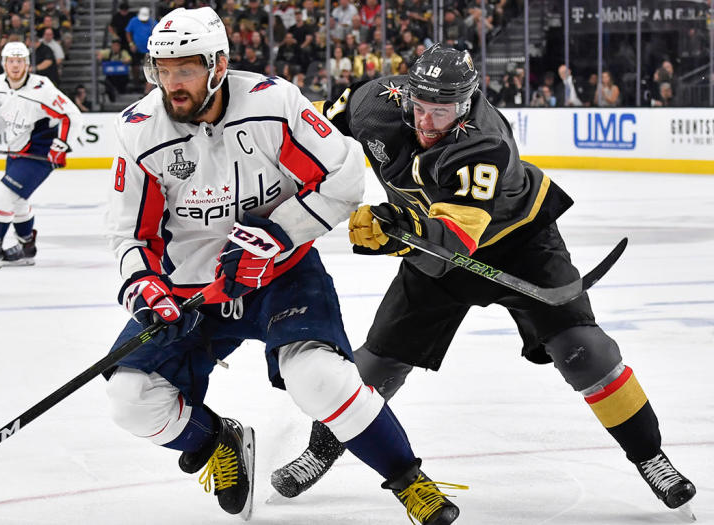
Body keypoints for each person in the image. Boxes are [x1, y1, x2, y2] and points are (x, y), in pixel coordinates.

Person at [271, 44, 698, 518]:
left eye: (443, 110)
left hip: (519, 247)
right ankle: (320, 452)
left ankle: (650, 456)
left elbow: (454, 239)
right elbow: (312, 133)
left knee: (585, 352)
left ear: (468, 101)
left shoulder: (484, 143)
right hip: (429, 245)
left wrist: (392, 235)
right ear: (407, 93)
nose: (429, 121)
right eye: (421, 106)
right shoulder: (373, 101)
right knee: (376, 367)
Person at [104, 8, 465, 525]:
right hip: (191, 287)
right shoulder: (140, 131)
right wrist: (144, 288)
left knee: (319, 378)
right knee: (130, 399)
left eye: (184, 69)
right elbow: (129, 232)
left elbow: (342, 175)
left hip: (280, 274)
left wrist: (276, 235)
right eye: (162, 70)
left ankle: (409, 479)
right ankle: (217, 442)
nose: (171, 84)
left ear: (219, 64)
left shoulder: (273, 105)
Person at [0, 42, 82, 269]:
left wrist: (60, 147)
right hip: (16, 151)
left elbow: (72, 116)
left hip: (40, 153)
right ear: (4, 63)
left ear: (27, 64)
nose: (15, 66)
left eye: (20, 61)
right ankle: (26, 248)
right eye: (11, 61)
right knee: (18, 201)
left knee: (3, 196)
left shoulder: (42, 88)